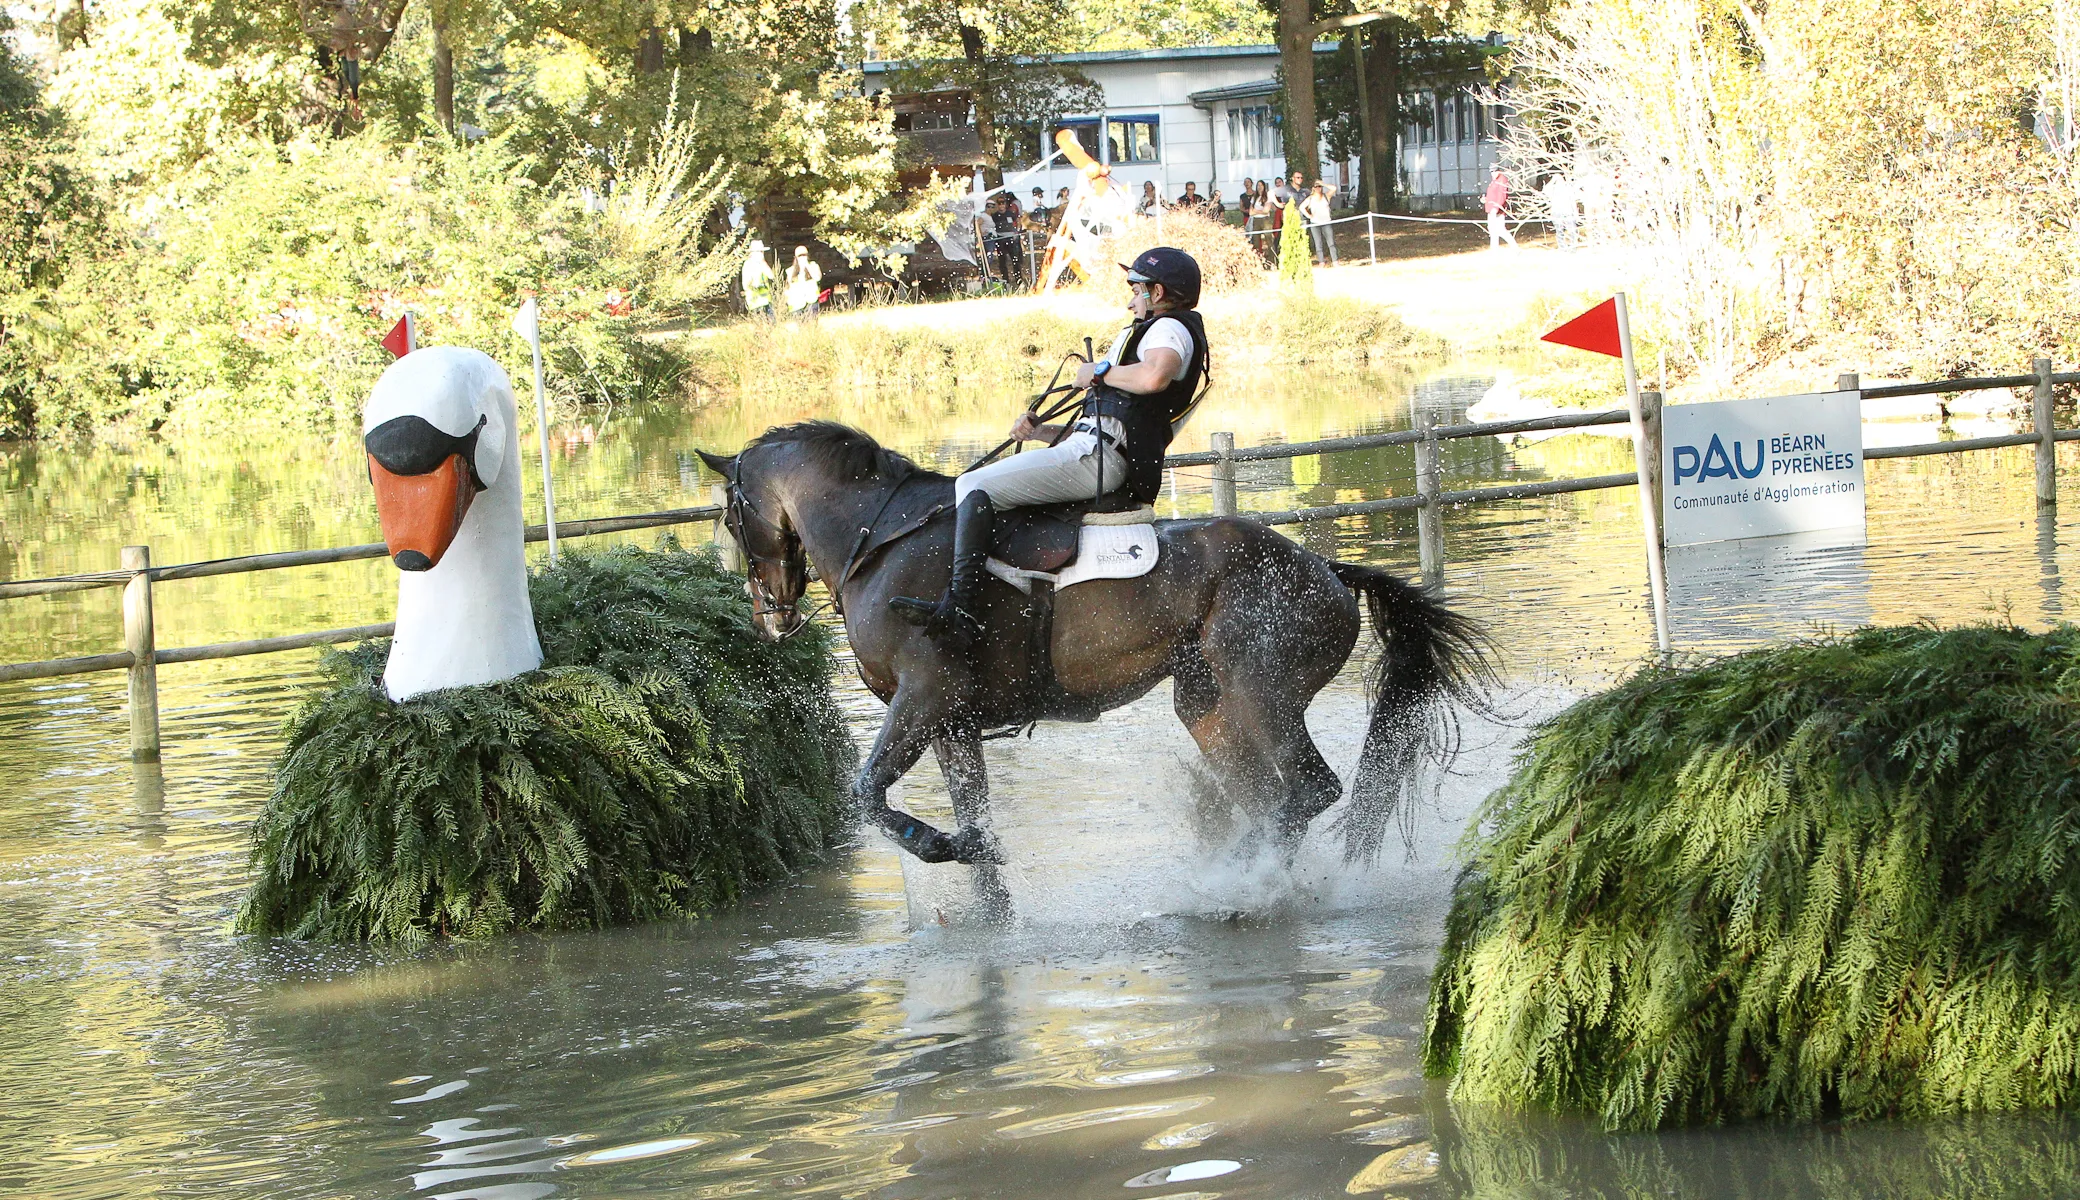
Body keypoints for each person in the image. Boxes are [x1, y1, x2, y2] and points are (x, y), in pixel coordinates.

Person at [889, 248, 1212, 647]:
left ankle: (961, 606)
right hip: (1093, 449)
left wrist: (1099, 370)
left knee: (973, 486)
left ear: (1157, 291)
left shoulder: (1168, 330)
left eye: (1135, 290)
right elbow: (1104, 426)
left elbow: (1153, 378)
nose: (1130, 300)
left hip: (1101, 458)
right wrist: (1041, 432)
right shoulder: (1155, 329)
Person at [1301, 182, 1337, 265]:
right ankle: (1321, 262)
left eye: (1319, 187)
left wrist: (1322, 183)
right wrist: (1309, 216)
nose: (1318, 188)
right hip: (1315, 223)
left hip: (1326, 222)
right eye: (1316, 186)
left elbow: (1334, 188)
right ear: (1313, 188)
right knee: (1318, 243)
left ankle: (1335, 261)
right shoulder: (1310, 198)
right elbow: (1301, 207)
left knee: (1331, 242)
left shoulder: (1326, 196)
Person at [741, 237, 775, 321]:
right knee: (760, 327)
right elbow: (745, 284)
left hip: (766, 301)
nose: (760, 253)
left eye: (761, 251)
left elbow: (771, 276)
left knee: (772, 324)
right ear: (752, 253)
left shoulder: (763, 263)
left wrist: (763, 263)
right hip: (755, 302)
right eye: (758, 251)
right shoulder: (748, 264)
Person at [1484, 165, 1517, 249]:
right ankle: (1495, 249)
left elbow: (1501, 196)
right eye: (1491, 172)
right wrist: (1486, 199)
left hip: (1497, 210)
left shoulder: (1502, 180)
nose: (1493, 174)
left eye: (1494, 171)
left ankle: (1515, 247)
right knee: (1493, 230)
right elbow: (1493, 195)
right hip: (1492, 209)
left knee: (1499, 230)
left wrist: (1496, 207)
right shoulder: (1494, 181)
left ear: (1499, 171)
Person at [784, 245, 822, 317]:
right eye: (800, 256)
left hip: (811, 301)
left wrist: (807, 265)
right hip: (797, 304)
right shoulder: (790, 271)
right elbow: (787, 288)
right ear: (796, 258)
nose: (802, 257)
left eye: (804, 255)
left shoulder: (813, 266)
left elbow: (817, 278)